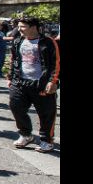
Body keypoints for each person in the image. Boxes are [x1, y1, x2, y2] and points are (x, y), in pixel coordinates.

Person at [8, 17, 60, 153]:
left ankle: (46, 140)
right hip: (20, 82)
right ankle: (26, 135)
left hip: (41, 84)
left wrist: (52, 81)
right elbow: (13, 60)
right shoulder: (18, 41)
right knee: (15, 106)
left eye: (22, 27)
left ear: (33, 27)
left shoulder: (48, 42)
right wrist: (10, 77)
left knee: (46, 113)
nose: (19, 29)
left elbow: (56, 62)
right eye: (18, 26)